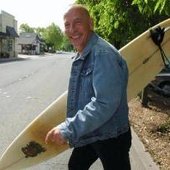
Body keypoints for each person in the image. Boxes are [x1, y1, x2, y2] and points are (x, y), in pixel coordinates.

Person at [45, 4, 131, 170]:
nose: (72, 30)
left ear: (90, 24)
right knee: (76, 165)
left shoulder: (102, 54)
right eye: (67, 25)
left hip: (111, 135)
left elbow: (104, 103)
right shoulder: (85, 52)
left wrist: (68, 129)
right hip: (93, 130)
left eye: (77, 22)